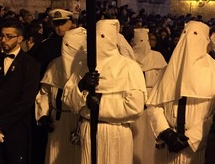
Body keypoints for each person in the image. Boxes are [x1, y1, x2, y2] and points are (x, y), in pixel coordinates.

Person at [63, 19, 147, 164]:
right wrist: (81, 86)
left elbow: (135, 107)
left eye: (102, 37)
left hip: (116, 132)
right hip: (88, 129)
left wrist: (100, 103)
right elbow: (68, 100)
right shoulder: (83, 67)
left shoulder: (129, 67)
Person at [146, 21, 215, 164]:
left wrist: (191, 138)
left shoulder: (213, 71)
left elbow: (213, 114)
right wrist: (166, 132)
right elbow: (154, 104)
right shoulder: (168, 70)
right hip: (166, 146)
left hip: (195, 149)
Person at [0, 18, 40, 164]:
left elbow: (25, 101)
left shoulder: (31, 65)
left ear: (20, 38)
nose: (4, 40)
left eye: (9, 36)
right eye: (2, 35)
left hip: (15, 129)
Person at [35, 27, 86, 163]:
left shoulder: (87, 68)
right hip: (57, 120)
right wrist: (43, 114)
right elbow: (44, 93)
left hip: (78, 121)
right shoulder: (55, 65)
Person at [31, 8, 75, 164]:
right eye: (56, 24)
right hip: (54, 107)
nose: (59, 27)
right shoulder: (45, 46)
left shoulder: (82, 46)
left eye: (63, 23)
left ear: (71, 23)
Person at [130, 28, 167, 164]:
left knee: (149, 140)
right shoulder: (129, 58)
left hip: (152, 103)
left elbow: (163, 81)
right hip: (134, 104)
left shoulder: (157, 58)